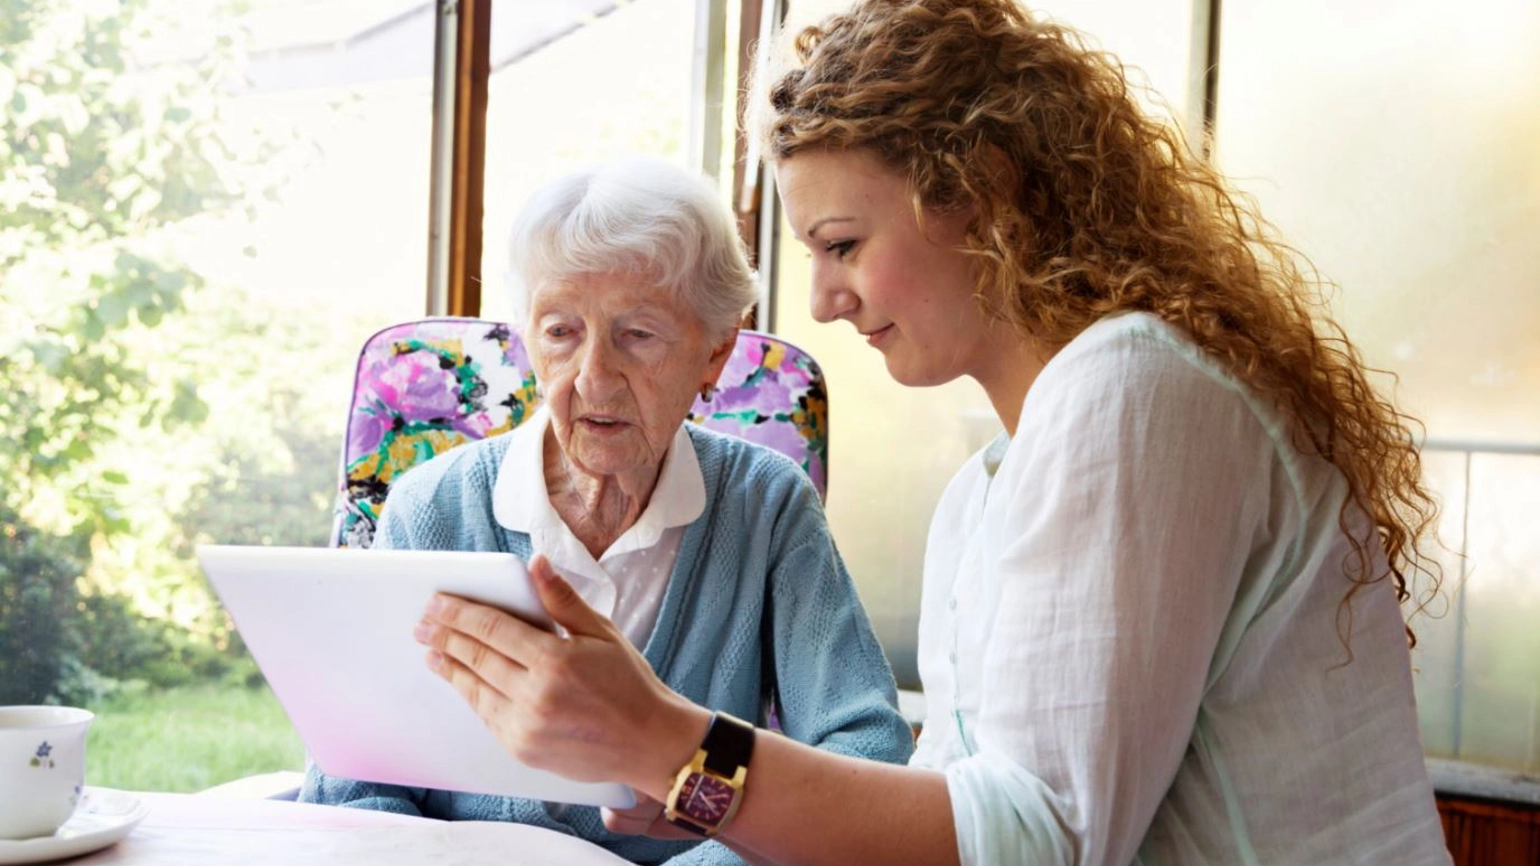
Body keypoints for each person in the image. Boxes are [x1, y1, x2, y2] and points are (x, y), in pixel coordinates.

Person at [411, 1, 1453, 863]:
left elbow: (1046, 840)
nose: (818, 300)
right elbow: (949, 809)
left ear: (981, 194)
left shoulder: (1133, 392)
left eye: (842, 242)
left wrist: (670, 740)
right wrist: (686, 780)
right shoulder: (989, 490)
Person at [299, 157, 915, 865]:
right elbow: (353, 781)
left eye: (638, 336)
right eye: (561, 332)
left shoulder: (766, 505)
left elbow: (867, 746)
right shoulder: (431, 508)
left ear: (715, 352)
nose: (593, 378)